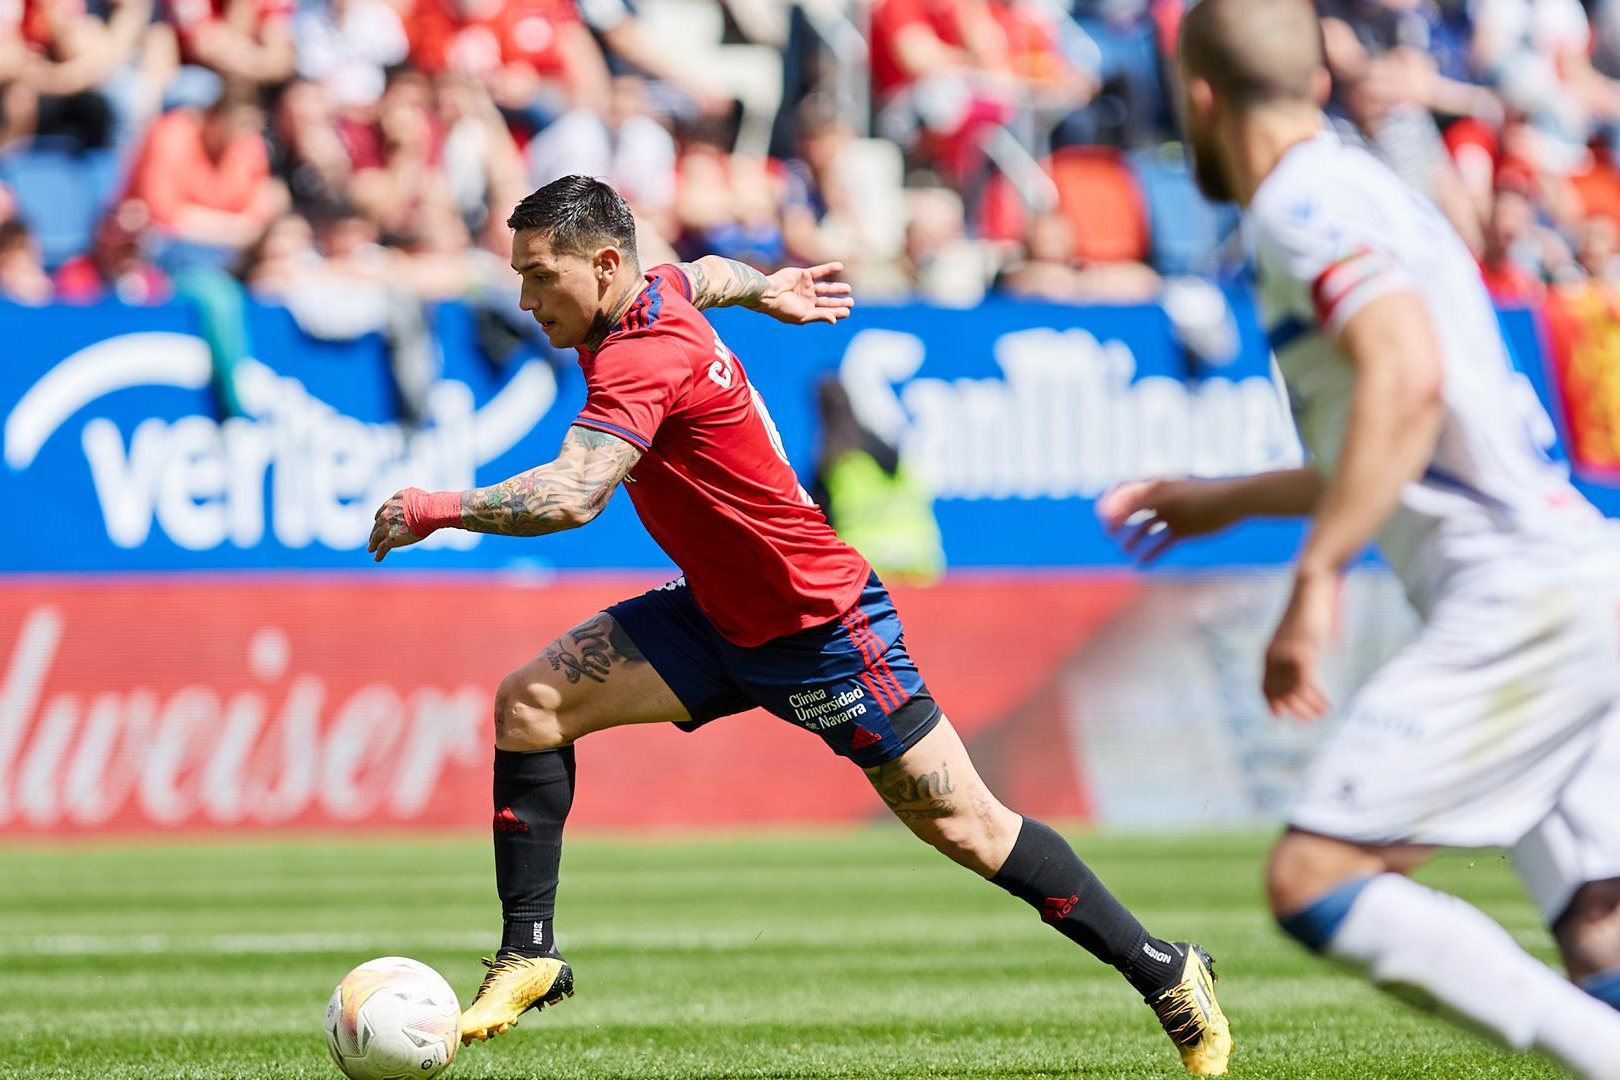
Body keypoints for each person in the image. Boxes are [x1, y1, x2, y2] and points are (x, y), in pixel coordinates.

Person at [365, 174, 1234, 1075]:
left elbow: (575, 493)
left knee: (971, 829)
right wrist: (768, 287)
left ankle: (1165, 971)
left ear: (605, 265)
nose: (525, 297)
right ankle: (530, 952)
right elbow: (704, 273)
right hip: (715, 615)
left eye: (541, 276)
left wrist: (438, 507)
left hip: (823, 629)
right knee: (531, 703)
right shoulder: (650, 291)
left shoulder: (640, 355)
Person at [1099, 1, 1620, 1075]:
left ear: (1197, 99)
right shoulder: (1360, 190)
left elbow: (1408, 378)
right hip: (1570, 577)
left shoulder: (1304, 204)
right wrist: (1233, 498)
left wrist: (1319, 577)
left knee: (1315, 879)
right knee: (1604, 928)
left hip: (1520, 597)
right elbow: (1407, 427)